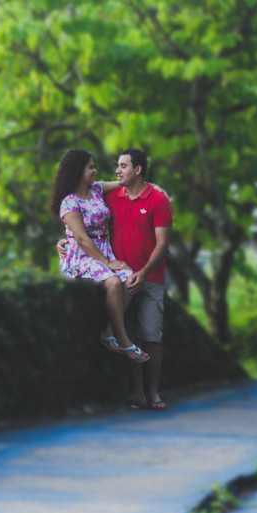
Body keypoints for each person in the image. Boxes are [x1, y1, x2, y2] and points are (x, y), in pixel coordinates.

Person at [49, 149, 149, 365]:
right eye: (90, 167)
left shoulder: (95, 189)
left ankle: (109, 331)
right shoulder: (69, 202)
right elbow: (83, 239)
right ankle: (124, 341)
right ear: (77, 171)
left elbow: (123, 183)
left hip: (103, 249)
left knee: (130, 279)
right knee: (113, 282)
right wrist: (107, 262)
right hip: (81, 254)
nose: (95, 171)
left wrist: (154, 188)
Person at [105, 149, 173, 411]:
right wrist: (64, 240)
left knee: (152, 336)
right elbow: (87, 223)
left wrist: (143, 273)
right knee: (129, 337)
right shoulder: (112, 197)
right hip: (120, 280)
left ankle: (154, 392)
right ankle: (137, 393)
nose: (117, 171)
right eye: (117, 166)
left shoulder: (158, 199)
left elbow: (163, 244)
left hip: (150, 279)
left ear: (138, 169)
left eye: (123, 166)